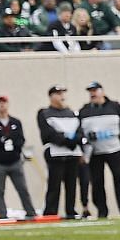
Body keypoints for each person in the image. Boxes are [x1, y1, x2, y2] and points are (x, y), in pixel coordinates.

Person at [77, 81, 120, 218]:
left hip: (113, 150)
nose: (92, 94)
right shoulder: (84, 110)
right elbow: (80, 131)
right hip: (95, 152)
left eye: (95, 90)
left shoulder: (115, 107)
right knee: (97, 182)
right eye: (90, 91)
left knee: (119, 179)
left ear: (102, 91)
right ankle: (102, 211)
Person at [0, 94, 38, 219]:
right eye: (0, 102)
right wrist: (3, 140)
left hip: (15, 161)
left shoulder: (15, 122)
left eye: (4, 102)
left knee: (22, 188)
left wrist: (12, 143)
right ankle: (2, 214)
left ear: (8, 104)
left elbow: (21, 139)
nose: (2, 105)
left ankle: (30, 212)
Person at [37, 84, 84, 218]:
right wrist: (68, 141)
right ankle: (51, 212)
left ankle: (71, 210)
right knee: (54, 185)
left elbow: (80, 133)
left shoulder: (72, 113)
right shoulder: (45, 113)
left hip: (72, 154)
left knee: (72, 185)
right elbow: (48, 134)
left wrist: (72, 141)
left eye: (63, 93)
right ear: (51, 96)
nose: (62, 96)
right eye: (58, 94)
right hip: (56, 154)